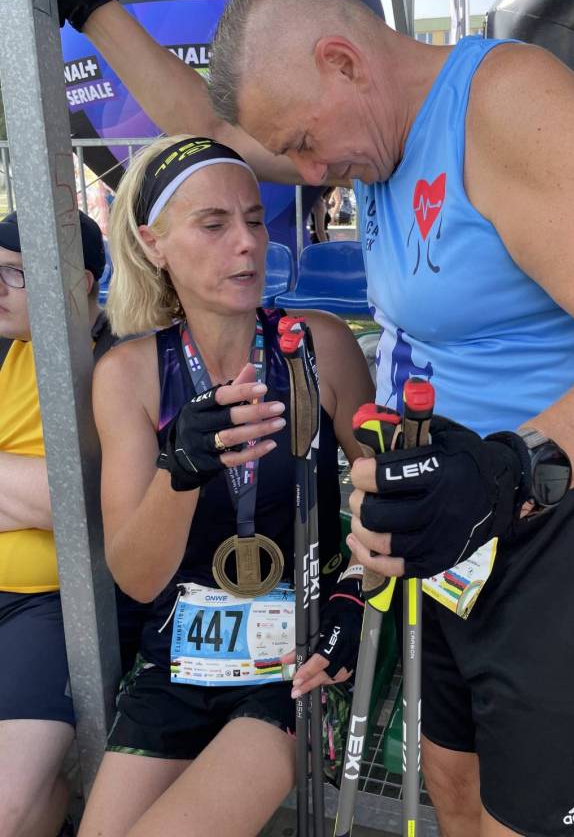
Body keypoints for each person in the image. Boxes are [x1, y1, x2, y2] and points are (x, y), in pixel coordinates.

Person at [25, 0, 574, 837]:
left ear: (343, 62)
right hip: (456, 508)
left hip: (560, 501)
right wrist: (88, 1)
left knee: (527, 819)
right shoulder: (368, 130)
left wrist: (514, 468)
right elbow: (211, 128)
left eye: (305, 145)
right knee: (453, 779)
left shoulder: (505, 102)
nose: (312, 174)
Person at [79, 135, 372, 837]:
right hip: (177, 655)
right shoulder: (129, 374)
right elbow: (137, 577)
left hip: (298, 656)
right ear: (153, 244)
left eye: (254, 220)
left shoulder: (319, 344)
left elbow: (383, 499)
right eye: (213, 225)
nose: (247, 243)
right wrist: (182, 469)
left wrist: (353, 596)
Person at [0, 209, 107, 837]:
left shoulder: (112, 360)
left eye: (13, 273)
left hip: (51, 607)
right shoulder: (5, 347)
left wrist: (44, 495)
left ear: (79, 283)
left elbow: (73, 502)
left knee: (9, 807)